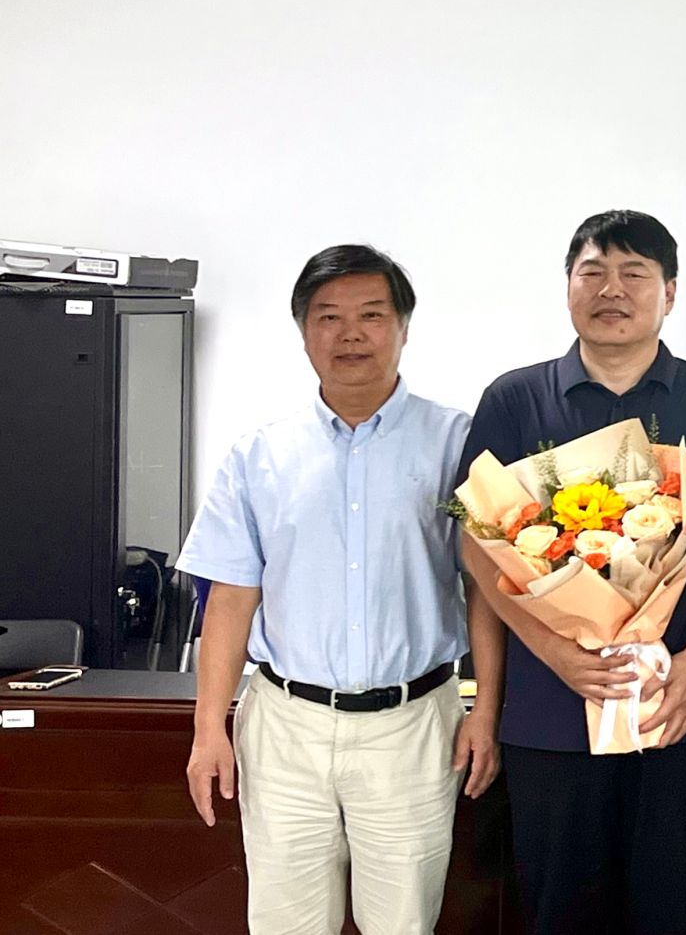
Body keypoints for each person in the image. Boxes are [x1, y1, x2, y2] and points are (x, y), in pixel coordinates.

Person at [177, 245, 497, 935]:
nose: (350, 334)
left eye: (371, 315)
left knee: (402, 923)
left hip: (414, 726)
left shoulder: (459, 442)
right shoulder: (260, 455)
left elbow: (487, 590)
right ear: (303, 332)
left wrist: (488, 712)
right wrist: (208, 728)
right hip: (284, 725)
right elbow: (230, 600)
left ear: (403, 327)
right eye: (328, 317)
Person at [457, 210, 686, 935]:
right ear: (568, 286)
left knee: (673, 907)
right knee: (560, 909)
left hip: (674, 705)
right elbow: (478, 547)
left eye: (633, 274)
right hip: (550, 713)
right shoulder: (513, 399)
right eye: (592, 272)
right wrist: (548, 654)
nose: (611, 290)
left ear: (670, 292)